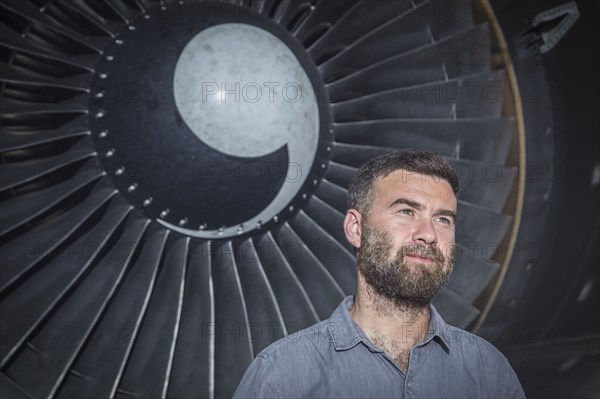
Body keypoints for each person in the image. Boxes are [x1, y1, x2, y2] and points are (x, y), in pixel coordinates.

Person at [234, 150, 525, 398]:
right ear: (356, 229)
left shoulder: (489, 372)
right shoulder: (282, 377)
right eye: (407, 212)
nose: (428, 234)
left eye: (442, 219)